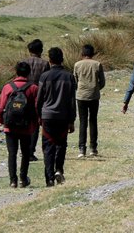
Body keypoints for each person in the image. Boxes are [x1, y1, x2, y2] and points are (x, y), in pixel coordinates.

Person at [36, 47, 77, 187]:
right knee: (61, 144)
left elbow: (39, 99)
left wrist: (38, 116)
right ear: (62, 59)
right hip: (63, 117)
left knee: (48, 147)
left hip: (47, 116)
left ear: (50, 60)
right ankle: (59, 169)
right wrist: (72, 120)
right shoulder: (69, 76)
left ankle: (49, 178)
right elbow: (72, 101)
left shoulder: (44, 76)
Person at [0, 62, 40, 188]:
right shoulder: (33, 88)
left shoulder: (8, 87)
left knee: (12, 153)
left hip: (10, 126)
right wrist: (37, 121)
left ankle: (12, 180)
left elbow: (1, 106)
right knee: (25, 153)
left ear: (16, 72)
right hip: (26, 126)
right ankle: (23, 178)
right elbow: (37, 107)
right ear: (28, 72)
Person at [73, 44, 105, 157]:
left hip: (81, 96)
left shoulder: (77, 65)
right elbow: (102, 82)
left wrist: (80, 89)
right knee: (93, 120)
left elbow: (75, 81)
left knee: (82, 121)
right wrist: (95, 88)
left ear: (82, 54)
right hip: (94, 96)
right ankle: (93, 148)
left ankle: (82, 148)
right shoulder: (97, 64)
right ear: (93, 54)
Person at [23, 39, 49, 162]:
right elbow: (47, 82)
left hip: (23, 95)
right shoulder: (45, 64)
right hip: (39, 96)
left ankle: (24, 149)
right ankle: (31, 151)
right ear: (41, 50)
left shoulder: (23, 62)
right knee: (35, 124)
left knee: (24, 123)